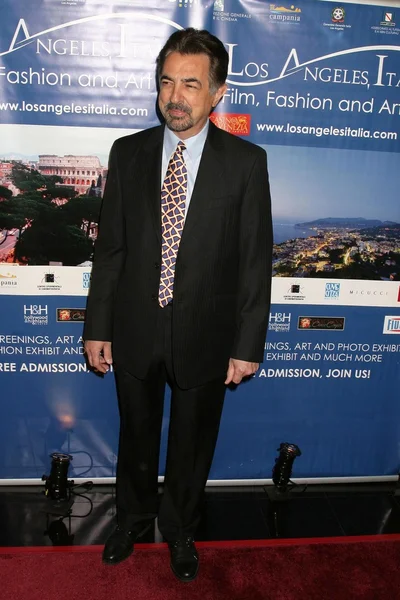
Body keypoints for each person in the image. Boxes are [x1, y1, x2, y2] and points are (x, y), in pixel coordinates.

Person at [83, 27, 273, 582]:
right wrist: (98, 325)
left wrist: (246, 344)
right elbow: (111, 248)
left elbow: (254, 261)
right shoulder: (129, 152)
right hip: (135, 325)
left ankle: (182, 529)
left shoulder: (245, 162)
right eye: (167, 81)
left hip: (206, 332)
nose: (175, 96)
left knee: (193, 442)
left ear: (217, 92)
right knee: (135, 432)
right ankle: (134, 520)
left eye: (191, 84)